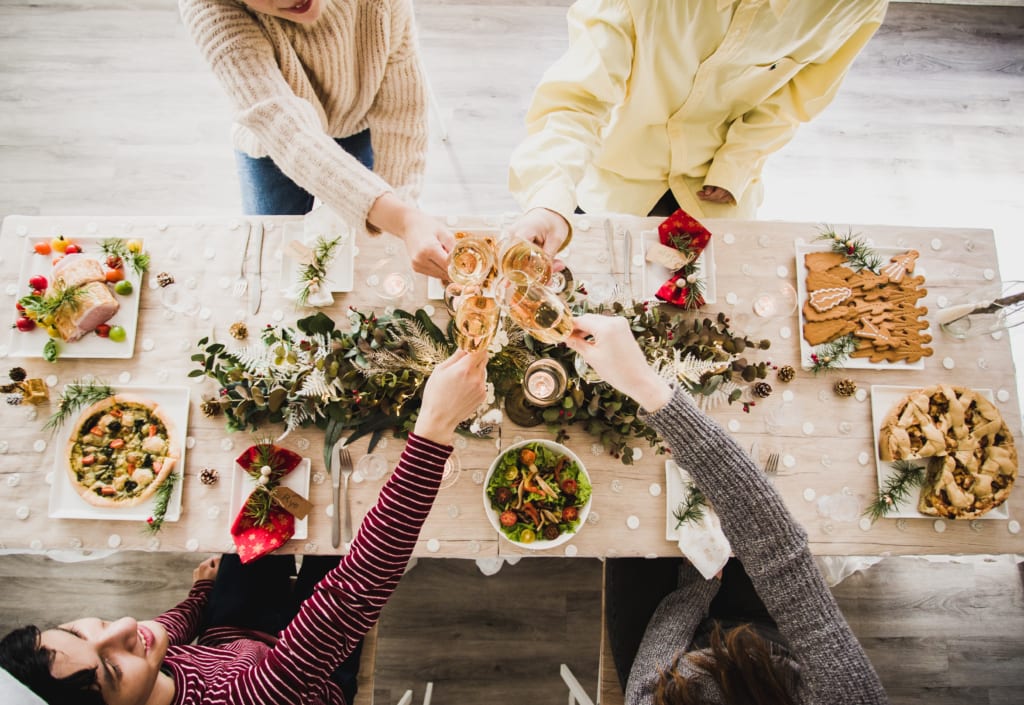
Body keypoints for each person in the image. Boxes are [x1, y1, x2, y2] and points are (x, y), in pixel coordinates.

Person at [0, 349, 489, 705]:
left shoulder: (139, 657)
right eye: (109, 668)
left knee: (261, 526)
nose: (125, 626)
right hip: (306, 679)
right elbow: (353, 595)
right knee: (343, 547)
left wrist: (198, 599)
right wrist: (435, 425)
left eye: (80, 631)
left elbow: (158, 635)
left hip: (230, 638)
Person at [563, 314, 887, 704]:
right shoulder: (848, 698)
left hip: (669, 665)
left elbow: (649, 682)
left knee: (630, 542)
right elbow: (780, 553)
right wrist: (647, 386)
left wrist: (698, 587)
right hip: (765, 646)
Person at [507, 0, 889, 258]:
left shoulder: (852, 6)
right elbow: (576, 100)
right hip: (609, 179)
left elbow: (793, 98)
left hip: (716, 193)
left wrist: (737, 163)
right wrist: (548, 200)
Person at [178, 0, 454, 279]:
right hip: (271, 143)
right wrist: (404, 219)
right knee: (273, 257)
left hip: (356, 119)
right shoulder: (206, 6)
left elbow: (400, 109)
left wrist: (401, 217)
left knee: (380, 237)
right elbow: (287, 131)